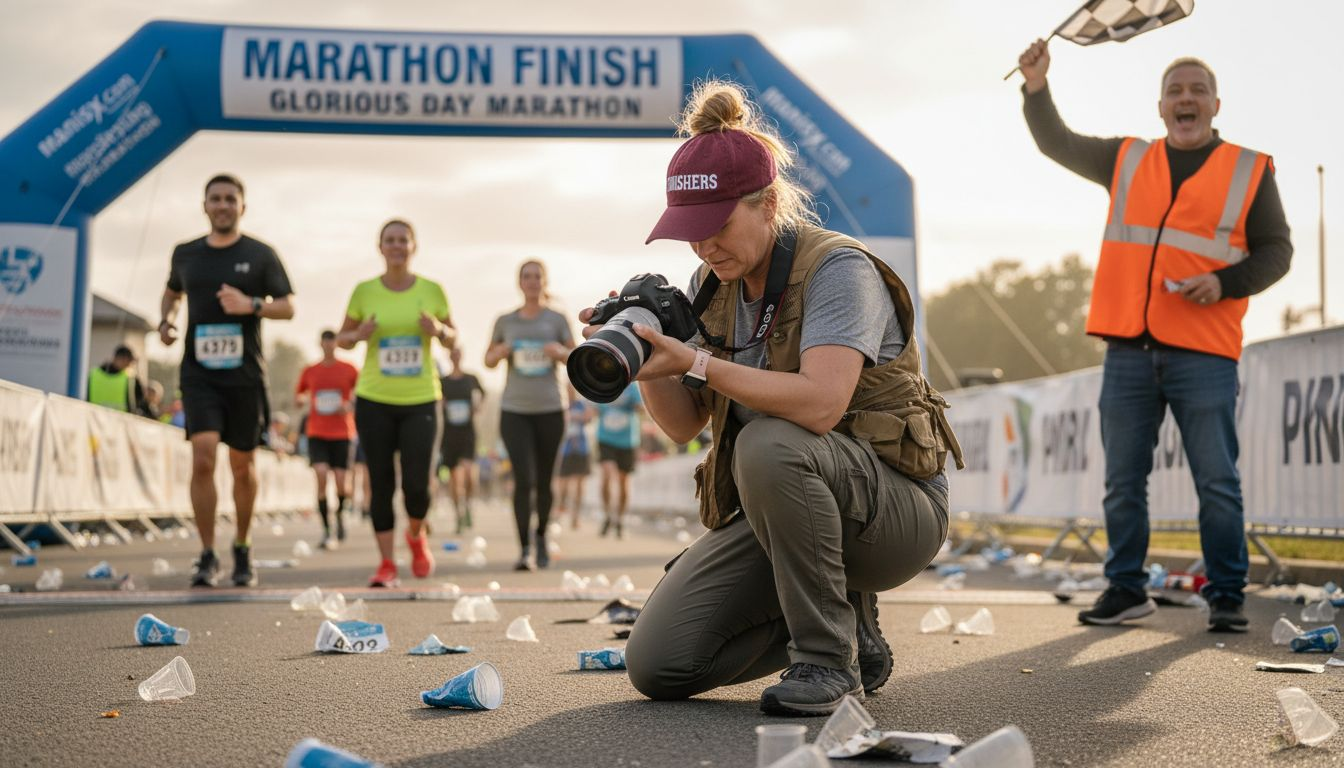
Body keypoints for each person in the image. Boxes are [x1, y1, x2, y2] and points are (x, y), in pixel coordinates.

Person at [608, 81, 961, 716]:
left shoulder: (838, 270)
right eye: (690, 232)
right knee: (659, 663)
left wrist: (697, 360)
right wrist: (650, 356)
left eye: (716, 227)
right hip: (791, 510)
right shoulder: (711, 283)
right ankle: (851, 628)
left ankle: (826, 661)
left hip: (895, 510)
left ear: (768, 203)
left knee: (772, 443)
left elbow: (822, 404)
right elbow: (685, 426)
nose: (704, 247)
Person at [1016, 41, 1292, 633]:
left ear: (1216, 105)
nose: (1185, 98)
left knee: (1216, 481)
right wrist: (1036, 88)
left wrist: (1226, 282)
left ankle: (1225, 595)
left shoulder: (1249, 169)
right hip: (1128, 351)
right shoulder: (1126, 159)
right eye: (1175, 90)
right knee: (1122, 482)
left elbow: (1278, 251)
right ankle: (1125, 589)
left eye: (1196, 90)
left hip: (1204, 353)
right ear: (1161, 107)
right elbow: (1056, 142)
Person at [159, 173, 295, 588]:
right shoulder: (186, 253)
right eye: (215, 199)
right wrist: (167, 319)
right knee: (202, 456)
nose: (222, 205)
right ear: (205, 206)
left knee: (243, 465)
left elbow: (288, 307)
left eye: (230, 199)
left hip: (244, 377)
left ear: (242, 206)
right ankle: (205, 553)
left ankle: (242, 545)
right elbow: (172, 290)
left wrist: (250, 304)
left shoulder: (260, 254)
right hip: (198, 374)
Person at [337, 219, 455, 587]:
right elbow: (342, 339)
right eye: (390, 240)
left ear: (413, 246)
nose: (397, 246)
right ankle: (387, 562)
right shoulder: (364, 291)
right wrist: (359, 334)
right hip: (374, 398)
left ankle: (416, 536)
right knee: (381, 481)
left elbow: (453, 341)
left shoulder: (433, 290)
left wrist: (439, 331)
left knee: (418, 484)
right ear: (380, 247)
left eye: (403, 240)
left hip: (421, 398)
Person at [485, 259, 575, 571]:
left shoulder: (557, 319)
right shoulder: (505, 321)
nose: (532, 281)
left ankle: (541, 538)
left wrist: (560, 353)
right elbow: (488, 360)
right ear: (519, 282)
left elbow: (576, 358)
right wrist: (501, 352)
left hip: (550, 408)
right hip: (515, 410)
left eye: (537, 276)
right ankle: (523, 547)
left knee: (546, 478)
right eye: (527, 276)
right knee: (523, 479)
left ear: (544, 281)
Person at [295, 329, 360, 549]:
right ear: (320, 344)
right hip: (317, 432)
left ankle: (341, 515)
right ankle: (326, 528)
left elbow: (362, 393)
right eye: (325, 343)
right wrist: (301, 399)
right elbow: (299, 393)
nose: (329, 347)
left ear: (336, 345)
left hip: (343, 432)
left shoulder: (349, 369)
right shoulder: (310, 371)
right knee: (321, 476)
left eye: (332, 343)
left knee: (342, 482)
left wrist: (349, 405)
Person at [438, 346, 485, 533]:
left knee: (468, 473)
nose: (455, 356)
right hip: (449, 433)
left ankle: (469, 505)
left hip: (468, 431)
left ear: (462, 356)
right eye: (453, 354)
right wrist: (441, 403)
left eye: (458, 353)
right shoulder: (442, 381)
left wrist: (478, 407)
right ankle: (458, 513)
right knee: (453, 477)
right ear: (449, 357)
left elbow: (483, 395)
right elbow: (435, 398)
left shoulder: (471, 379)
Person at [595, 383, 643, 538]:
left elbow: (641, 408)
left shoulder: (632, 386)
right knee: (608, 474)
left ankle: (620, 519)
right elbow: (594, 409)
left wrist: (635, 406)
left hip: (627, 440)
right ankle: (608, 514)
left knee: (623, 480)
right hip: (605, 438)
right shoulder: (602, 383)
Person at [555, 385, 594, 530]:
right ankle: (559, 511)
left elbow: (589, 416)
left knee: (579, 485)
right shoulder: (560, 404)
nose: (570, 391)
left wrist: (575, 416)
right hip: (565, 450)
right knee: (562, 485)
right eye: (567, 388)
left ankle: (575, 517)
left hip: (582, 449)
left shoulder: (582, 404)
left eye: (572, 389)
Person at [87, 344, 147, 414]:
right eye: (129, 361)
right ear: (120, 359)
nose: (130, 365)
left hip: (95, 419)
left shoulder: (93, 373)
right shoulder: (129, 377)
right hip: (116, 421)